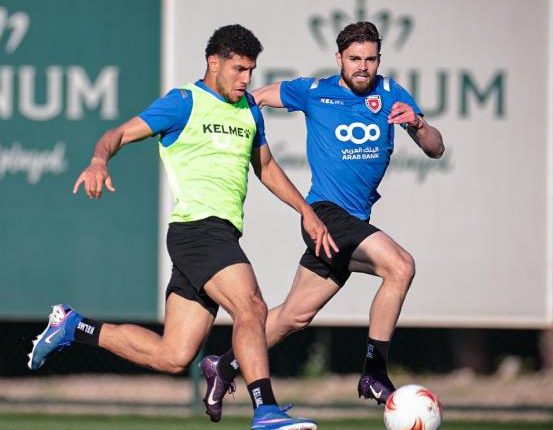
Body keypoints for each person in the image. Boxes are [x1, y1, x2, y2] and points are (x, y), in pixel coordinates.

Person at [27, 24, 337, 430]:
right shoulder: (184, 102)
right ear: (214, 63)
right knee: (252, 307)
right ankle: (265, 409)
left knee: (173, 356)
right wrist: (99, 160)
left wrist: (305, 210)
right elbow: (118, 133)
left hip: (217, 234)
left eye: (251, 71)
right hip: (197, 230)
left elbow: (264, 166)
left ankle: (73, 326)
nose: (246, 80)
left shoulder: (249, 110)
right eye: (239, 69)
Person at [199, 21, 445, 421]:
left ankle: (223, 365)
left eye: (370, 59)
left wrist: (418, 124)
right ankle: (374, 372)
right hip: (326, 216)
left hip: (352, 222)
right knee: (400, 266)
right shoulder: (314, 91)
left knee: (293, 317)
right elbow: (257, 97)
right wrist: (222, 119)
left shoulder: (391, 94)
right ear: (339, 59)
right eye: (355, 59)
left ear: (379, 60)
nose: (363, 66)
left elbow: (435, 148)